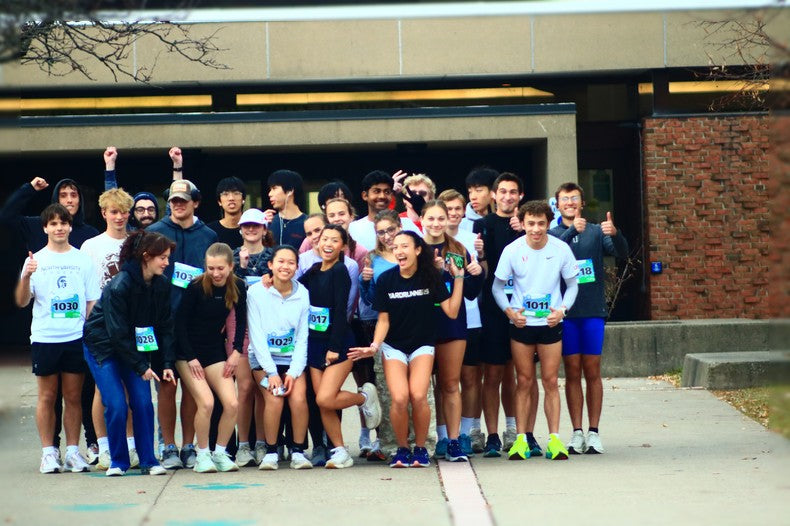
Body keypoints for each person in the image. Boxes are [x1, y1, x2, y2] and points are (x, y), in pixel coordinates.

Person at [349, 231, 464, 468]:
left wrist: (459, 278)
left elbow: (451, 311)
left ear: (417, 250)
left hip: (422, 344)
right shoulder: (386, 280)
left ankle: (420, 449)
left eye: (405, 246)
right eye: (396, 247)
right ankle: (402, 449)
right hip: (394, 346)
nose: (399, 251)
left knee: (419, 395)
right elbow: (383, 320)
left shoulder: (430, 276)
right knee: (399, 398)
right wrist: (374, 345)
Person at [14, 204, 101, 474]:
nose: (59, 228)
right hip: (44, 338)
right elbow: (21, 300)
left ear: (70, 226)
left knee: (73, 397)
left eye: (63, 223)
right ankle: (48, 453)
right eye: (53, 224)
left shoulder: (82, 260)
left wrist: (92, 336)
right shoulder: (35, 261)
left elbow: (90, 302)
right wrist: (26, 276)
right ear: (45, 229)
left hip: (75, 338)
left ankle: (74, 452)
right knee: (47, 397)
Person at [82, 230, 176, 476]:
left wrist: (165, 362)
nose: (167, 262)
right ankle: (119, 462)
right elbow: (116, 334)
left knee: (143, 403)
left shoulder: (162, 284)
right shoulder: (120, 284)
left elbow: (165, 326)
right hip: (103, 346)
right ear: (146, 256)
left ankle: (149, 460)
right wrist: (141, 366)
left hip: (132, 347)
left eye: (167, 257)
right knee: (116, 404)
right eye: (162, 257)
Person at [492, 200, 579, 461]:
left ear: (548, 223)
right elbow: (497, 288)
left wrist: (561, 310)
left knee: (551, 381)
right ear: (523, 223)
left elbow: (573, 285)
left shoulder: (561, 249)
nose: (536, 229)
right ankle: (521, 440)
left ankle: (554, 439)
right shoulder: (512, 250)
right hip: (522, 324)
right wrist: (510, 312)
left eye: (541, 223)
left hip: (550, 324)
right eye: (531, 223)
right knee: (524, 381)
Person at [549, 182, 628, 455]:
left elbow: (621, 252)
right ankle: (576, 432)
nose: (570, 202)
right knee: (571, 371)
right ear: (557, 204)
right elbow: (551, 253)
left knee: (592, 370)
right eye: (564, 199)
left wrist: (615, 234)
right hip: (566, 313)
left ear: (582, 203)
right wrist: (572, 231)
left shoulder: (596, 231)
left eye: (575, 198)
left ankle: (594, 432)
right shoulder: (552, 233)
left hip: (593, 311)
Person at [147, 178, 218, 469]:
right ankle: (168, 445)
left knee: (192, 387)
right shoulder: (154, 232)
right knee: (166, 386)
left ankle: (189, 445)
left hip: (195, 325)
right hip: (162, 322)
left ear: (195, 203)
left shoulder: (209, 234)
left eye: (183, 201)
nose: (178, 205)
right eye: (173, 201)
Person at [298, 224, 381, 469]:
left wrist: (334, 348)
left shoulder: (340, 271)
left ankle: (362, 397)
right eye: (324, 239)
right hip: (314, 344)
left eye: (335, 240)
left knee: (325, 398)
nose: (328, 244)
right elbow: (293, 288)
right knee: (325, 402)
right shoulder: (313, 270)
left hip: (338, 344)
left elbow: (340, 310)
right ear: (316, 242)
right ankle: (340, 450)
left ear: (343, 246)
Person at [472, 172, 535, 457]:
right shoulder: (481, 225)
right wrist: (482, 255)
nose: (508, 196)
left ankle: (518, 431)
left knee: (521, 374)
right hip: (493, 308)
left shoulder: (528, 226)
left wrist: (523, 230)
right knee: (494, 374)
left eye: (514, 192)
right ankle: (493, 435)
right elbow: (480, 271)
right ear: (493, 195)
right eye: (503, 191)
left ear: (520, 196)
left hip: (527, 307)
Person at [420, 200, 484, 462]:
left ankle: (453, 440)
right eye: (431, 219)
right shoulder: (415, 248)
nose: (435, 224)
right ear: (421, 220)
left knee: (450, 384)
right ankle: (432, 438)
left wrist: (477, 274)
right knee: (423, 387)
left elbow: (469, 292)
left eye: (440, 219)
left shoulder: (457, 249)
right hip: (421, 324)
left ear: (448, 221)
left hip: (453, 324)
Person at [80, 188, 138, 469]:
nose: (119, 217)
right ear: (104, 213)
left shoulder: (136, 242)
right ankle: (104, 447)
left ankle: (129, 446)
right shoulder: (91, 246)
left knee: (129, 390)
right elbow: (86, 289)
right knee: (103, 391)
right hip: (101, 327)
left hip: (131, 325)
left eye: (124, 211)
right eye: (114, 212)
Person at [175, 243, 244, 473]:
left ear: (231, 267)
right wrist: (191, 358)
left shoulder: (238, 286)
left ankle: (220, 452)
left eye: (220, 269)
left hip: (214, 350)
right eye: (211, 268)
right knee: (206, 402)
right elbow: (180, 326)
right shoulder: (195, 286)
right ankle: (202, 454)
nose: (215, 273)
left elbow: (242, 321)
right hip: (187, 353)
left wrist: (236, 352)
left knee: (232, 403)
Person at [247, 245, 313, 470]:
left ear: (297, 266)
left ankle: (298, 451)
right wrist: (272, 373)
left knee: (298, 399)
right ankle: (271, 451)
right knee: (274, 399)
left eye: (291, 262)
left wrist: (294, 373)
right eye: (281, 262)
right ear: (271, 265)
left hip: (292, 359)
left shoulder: (303, 293)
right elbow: (255, 337)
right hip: (263, 360)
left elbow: (303, 338)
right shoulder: (256, 292)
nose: (285, 267)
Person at [437, 189, 486, 454]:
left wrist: (477, 272)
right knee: (439, 382)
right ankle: (442, 434)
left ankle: (465, 433)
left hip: (468, 318)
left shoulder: (468, 241)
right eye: (447, 210)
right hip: (433, 321)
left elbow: (474, 284)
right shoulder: (420, 244)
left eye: (457, 209)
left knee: (466, 379)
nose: (452, 215)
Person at [358, 210, 403, 459]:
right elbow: (370, 301)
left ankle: (415, 441)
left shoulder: (410, 251)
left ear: (399, 226)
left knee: (413, 391)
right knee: (385, 389)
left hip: (412, 327)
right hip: (383, 327)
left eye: (391, 230)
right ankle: (387, 443)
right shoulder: (372, 258)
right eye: (381, 232)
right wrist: (365, 282)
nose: (387, 236)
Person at [231, 208, 274, 466]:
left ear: (264, 229)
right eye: (246, 226)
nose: (250, 230)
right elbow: (230, 291)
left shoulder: (273, 256)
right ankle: (243, 444)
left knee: (263, 389)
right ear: (240, 229)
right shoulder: (232, 256)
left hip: (270, 329)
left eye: (255, 226)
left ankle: (262, 443)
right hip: (242, 328)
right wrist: (242, 268)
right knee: (245, 388)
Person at [349, 170, 420, 251]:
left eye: (387, 192)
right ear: (365, 195)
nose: (382, 196)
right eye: (376, 191)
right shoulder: (353, 229)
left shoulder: (407, 224)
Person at [265, 169, 307, 249]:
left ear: (290, 191)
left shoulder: (307, 223)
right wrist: (260, 224)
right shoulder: (268, 222)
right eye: (270, 189)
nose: (270, 194)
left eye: (274, 188)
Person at [207, 176, 246, 248]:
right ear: (219, 201)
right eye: (225, 194)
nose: (231, 198)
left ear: (243, 199)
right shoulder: (209, 231)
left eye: (236, 193)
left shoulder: (252, 229)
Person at [460, 167, 498, 232]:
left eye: (478, 190)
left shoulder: (509, 222)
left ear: (493, 192)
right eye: (470, 192)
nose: (473, 197)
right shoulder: (460, 225)